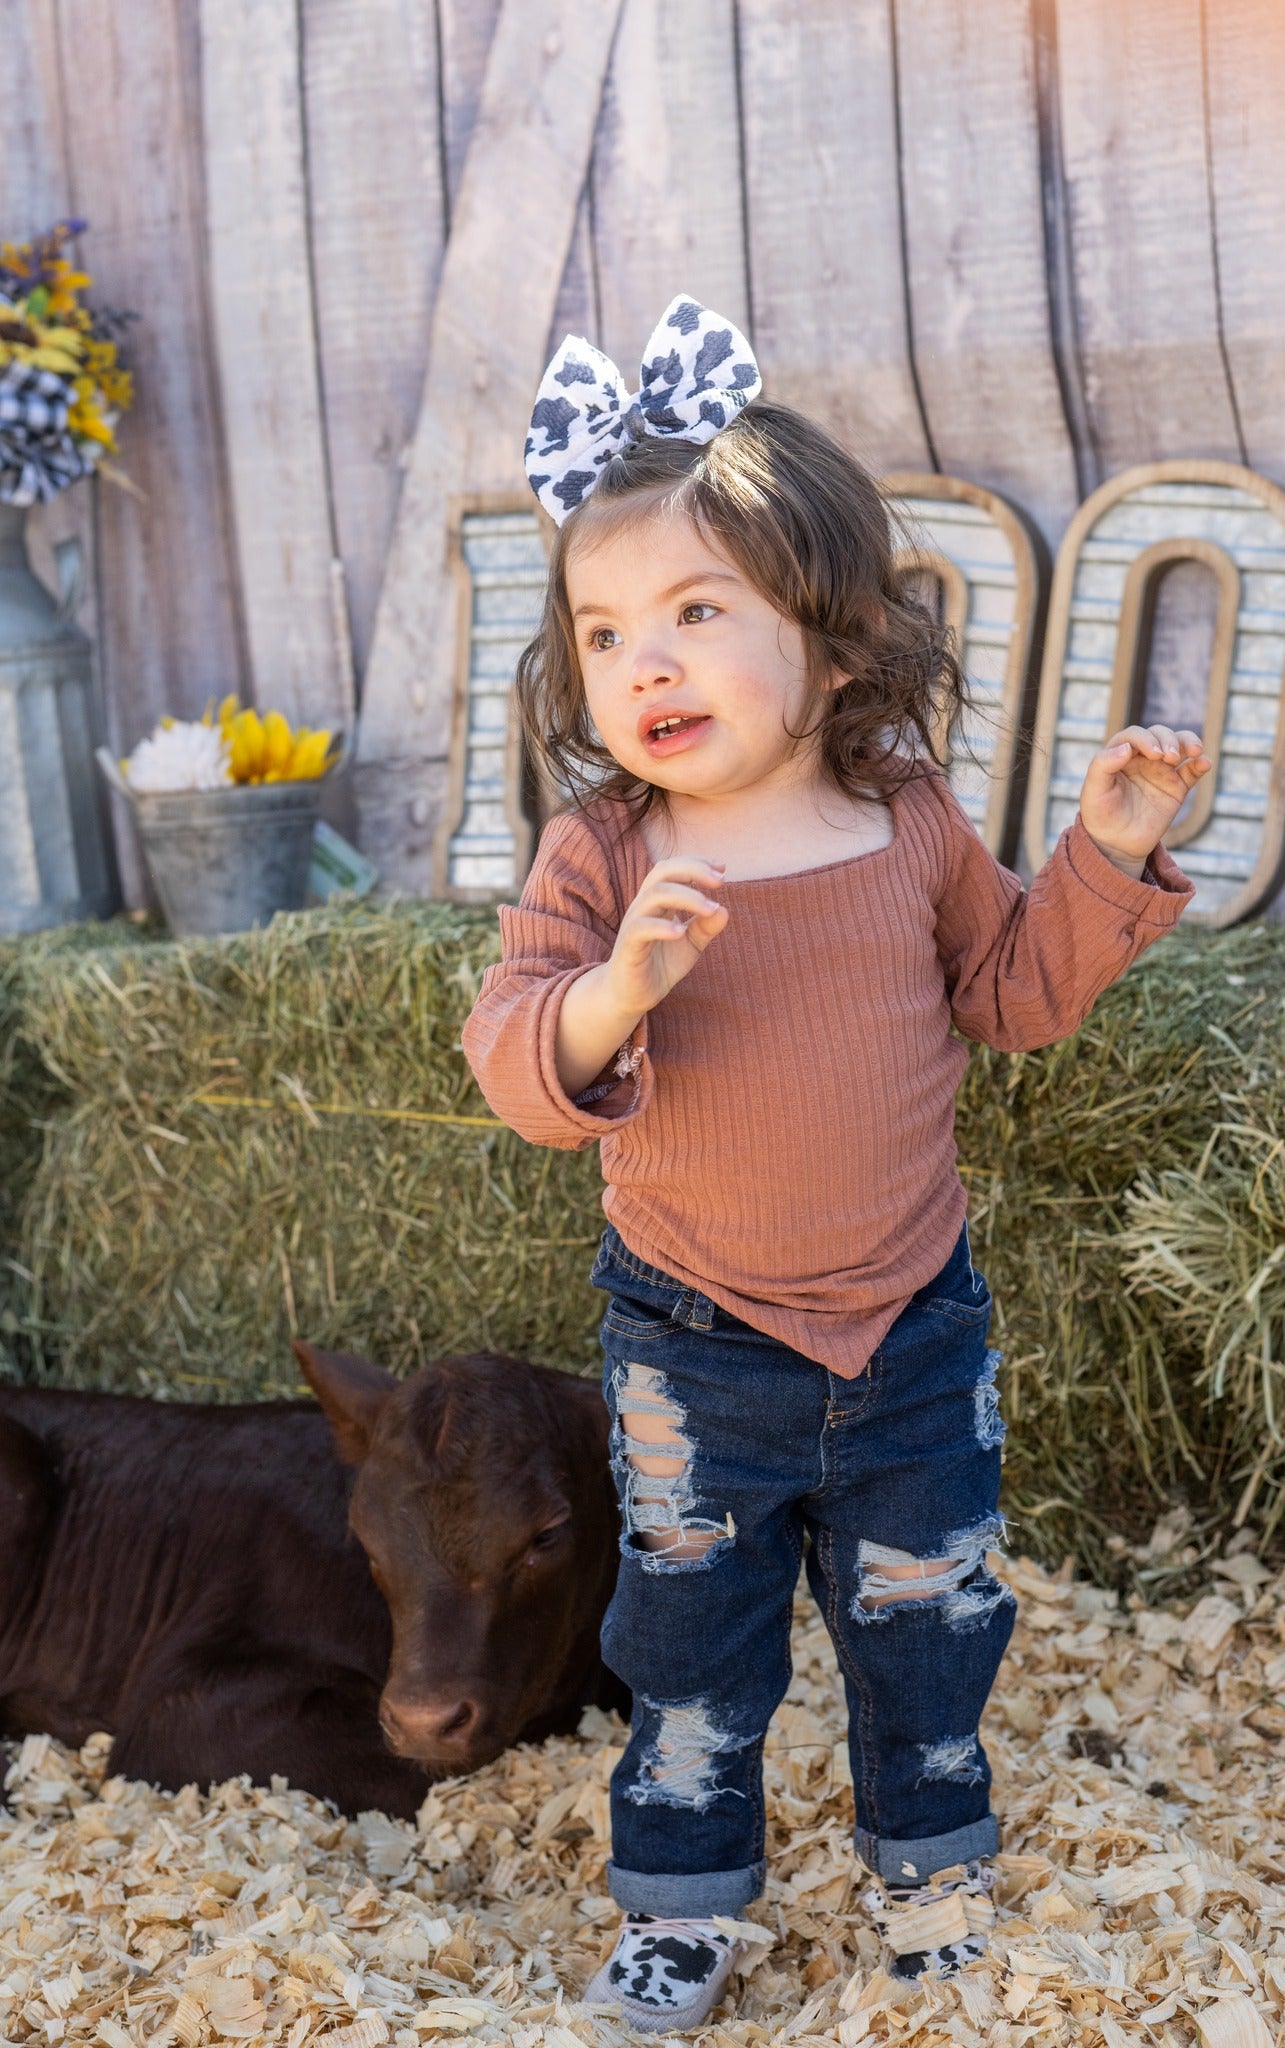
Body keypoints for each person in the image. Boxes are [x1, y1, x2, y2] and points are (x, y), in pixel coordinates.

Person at [460, 296, 1204, 2031]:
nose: (642, 661)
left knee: (928, 1628)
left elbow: (1013, 999)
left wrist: (1098, 855)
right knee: (689, 1652)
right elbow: (513, 1055)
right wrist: (612, 990)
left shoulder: (908, 823)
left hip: (909, 1332)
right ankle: (679, 1904)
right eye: (605, 628)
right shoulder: (602, 852)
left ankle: (931, 1863)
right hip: (693, 1348)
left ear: (837, 638)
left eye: (697, 613)